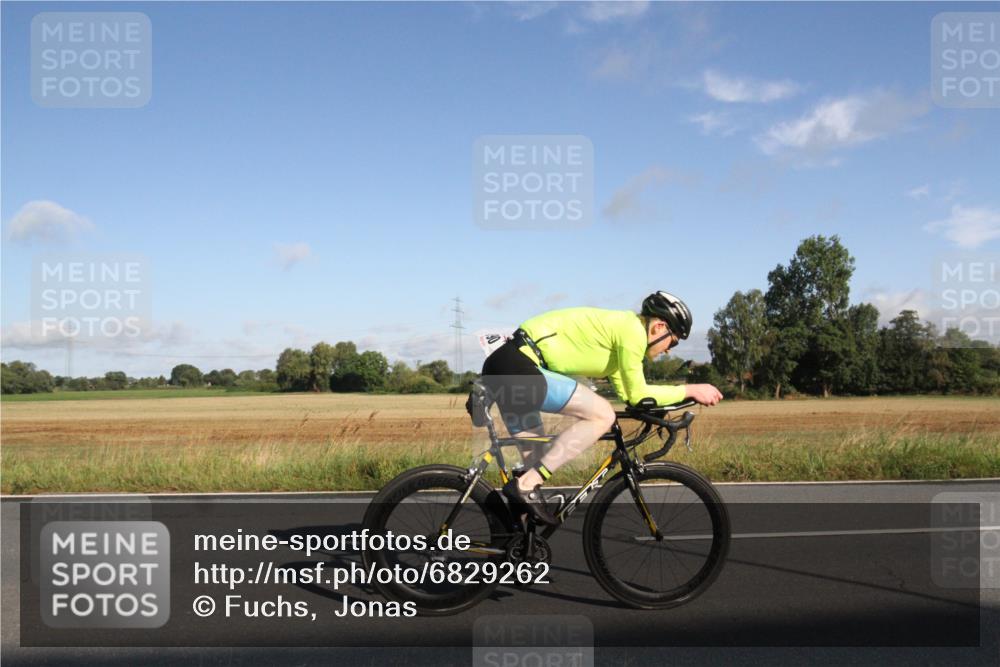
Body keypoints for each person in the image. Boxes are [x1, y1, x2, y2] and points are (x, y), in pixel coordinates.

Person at [479, 291, 723, 525]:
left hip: (506, 365)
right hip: (518, 367)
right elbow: (639, 393)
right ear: (659, 327)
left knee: (534, 467)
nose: (669, 349)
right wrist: (690, 390)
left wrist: (664, 407)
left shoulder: (619, 342)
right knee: (603, 415)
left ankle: (514, 540)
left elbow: (632, 397)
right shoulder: (632, 331)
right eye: (673, 341)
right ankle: (525, 486)